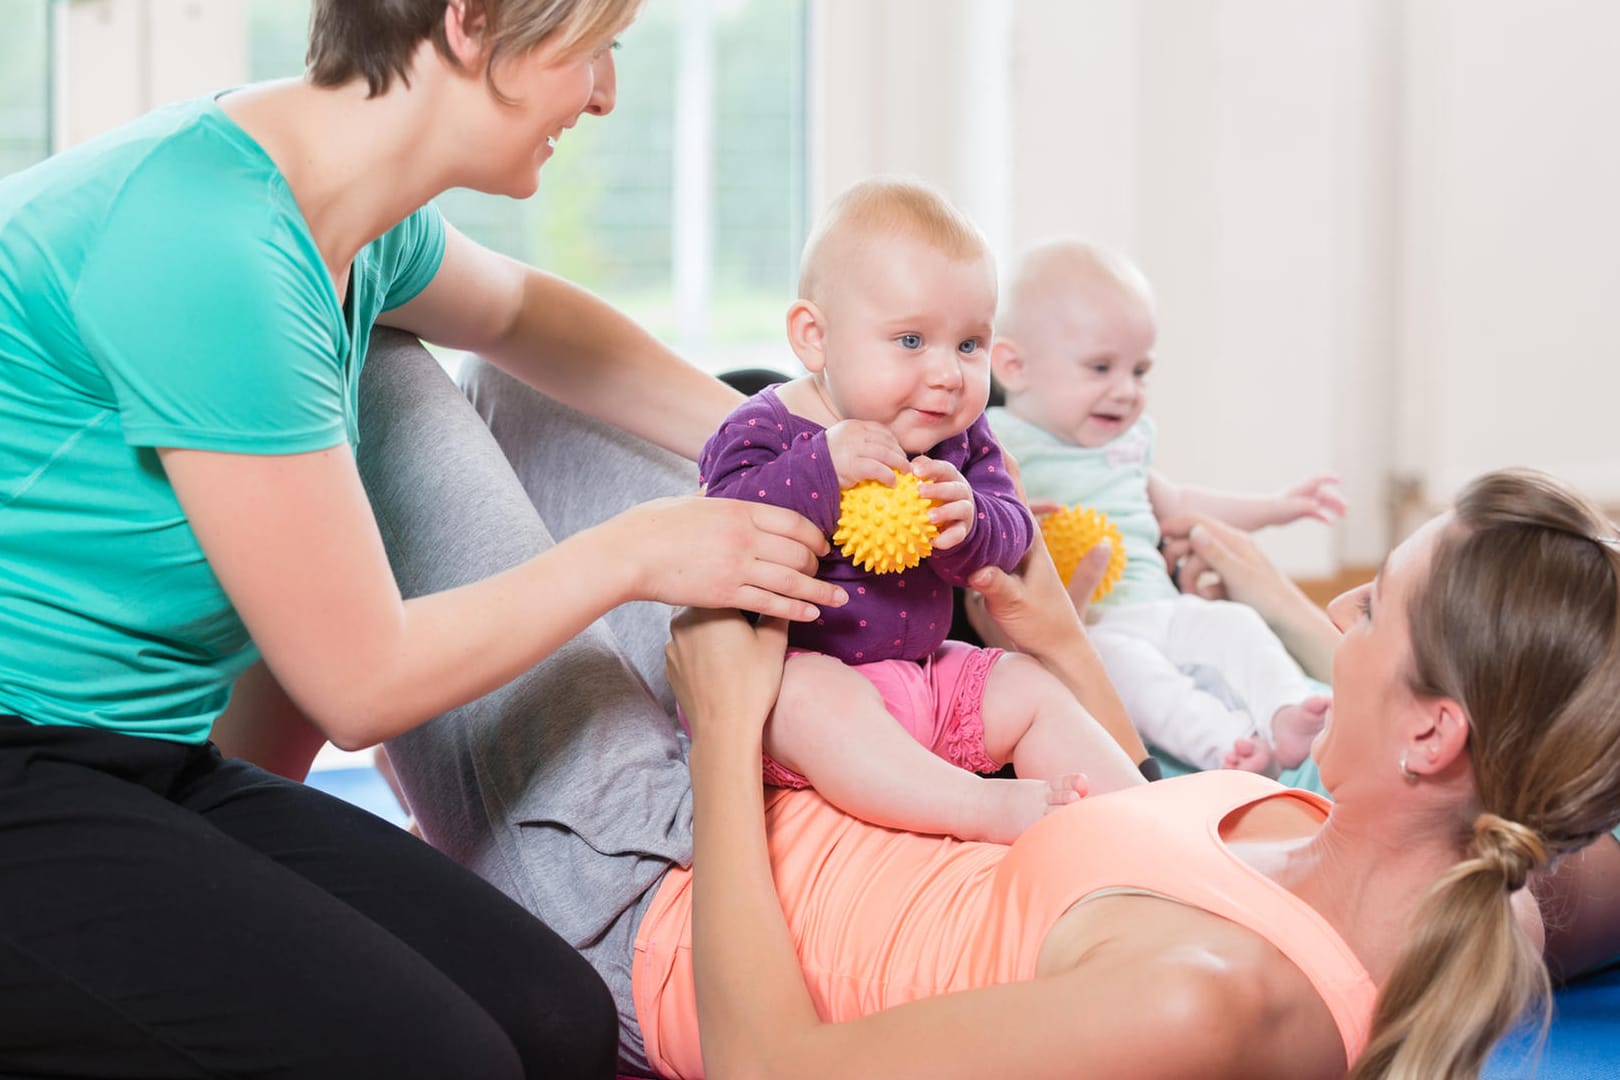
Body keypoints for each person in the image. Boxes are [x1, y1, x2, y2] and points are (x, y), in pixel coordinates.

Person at [362, 339, 1620, 1078]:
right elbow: (1120, 843)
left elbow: (773, 1071)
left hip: (645, 891)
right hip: (795, 762)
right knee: (529, 384)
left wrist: (731, 723)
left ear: (1434, 734)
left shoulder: (1209, 1002)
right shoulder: (1337, 838)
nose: (1330, 630)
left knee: (381, 372)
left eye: (1368, 614)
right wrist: (1044, 626)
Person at [0, 2, 846, 1075]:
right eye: (595, 49)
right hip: (22, 766)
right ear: (470, 23)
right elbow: (360, 682)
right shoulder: (207, 243)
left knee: (558, 1020)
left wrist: (787, 437)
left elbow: (525, 316)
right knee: (446, 1060)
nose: (604, 95)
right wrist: (636, 549)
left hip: (136, 760)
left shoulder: (341, 213)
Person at [696, 178, 1144, 844]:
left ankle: (1144, 824)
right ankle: (978, 808)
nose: (947, 374)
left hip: (928, 678)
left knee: (1025, 683)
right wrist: (822, 467)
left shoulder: (957, 438)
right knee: (810, 695)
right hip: (799, 690)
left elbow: (1014, 528)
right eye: (911, 342)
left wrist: (972, 520)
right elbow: (721, 525)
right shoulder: (764, 425)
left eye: (969, 346)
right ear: (815, 337)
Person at [986, 238, 1345, 775]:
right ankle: (1228, 746)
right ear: (1014, 367)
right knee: (1137, 679)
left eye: (1139, 371)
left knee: (1234, 624)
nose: (1126, 391)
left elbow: (1179, 505)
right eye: (1101, 367)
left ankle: (1284, 710)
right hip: (1096, 626)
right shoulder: (999, 440)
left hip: (1162, 604)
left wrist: (1276, 507)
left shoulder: (1125, 448)